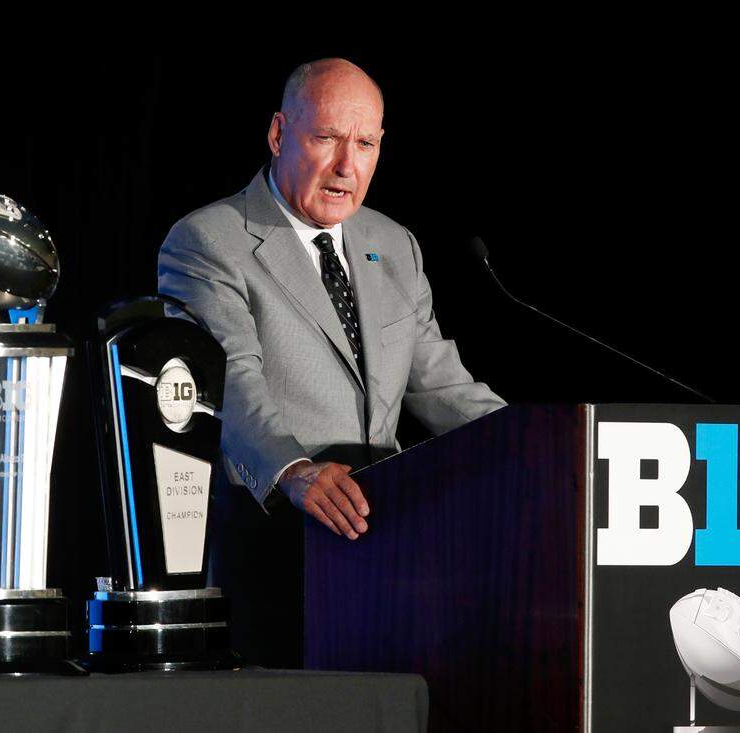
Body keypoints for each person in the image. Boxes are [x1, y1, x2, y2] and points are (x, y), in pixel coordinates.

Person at [158, 58, 504, 543]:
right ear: (279, 135)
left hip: (388, 528)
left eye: (365, 144)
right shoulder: (210, 240)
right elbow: (230, 380)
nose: (347, 166)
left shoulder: (394, 244)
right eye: (326, 138)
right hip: (277, 534)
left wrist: (537, 440)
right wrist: (294, 470)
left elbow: (439, 384)